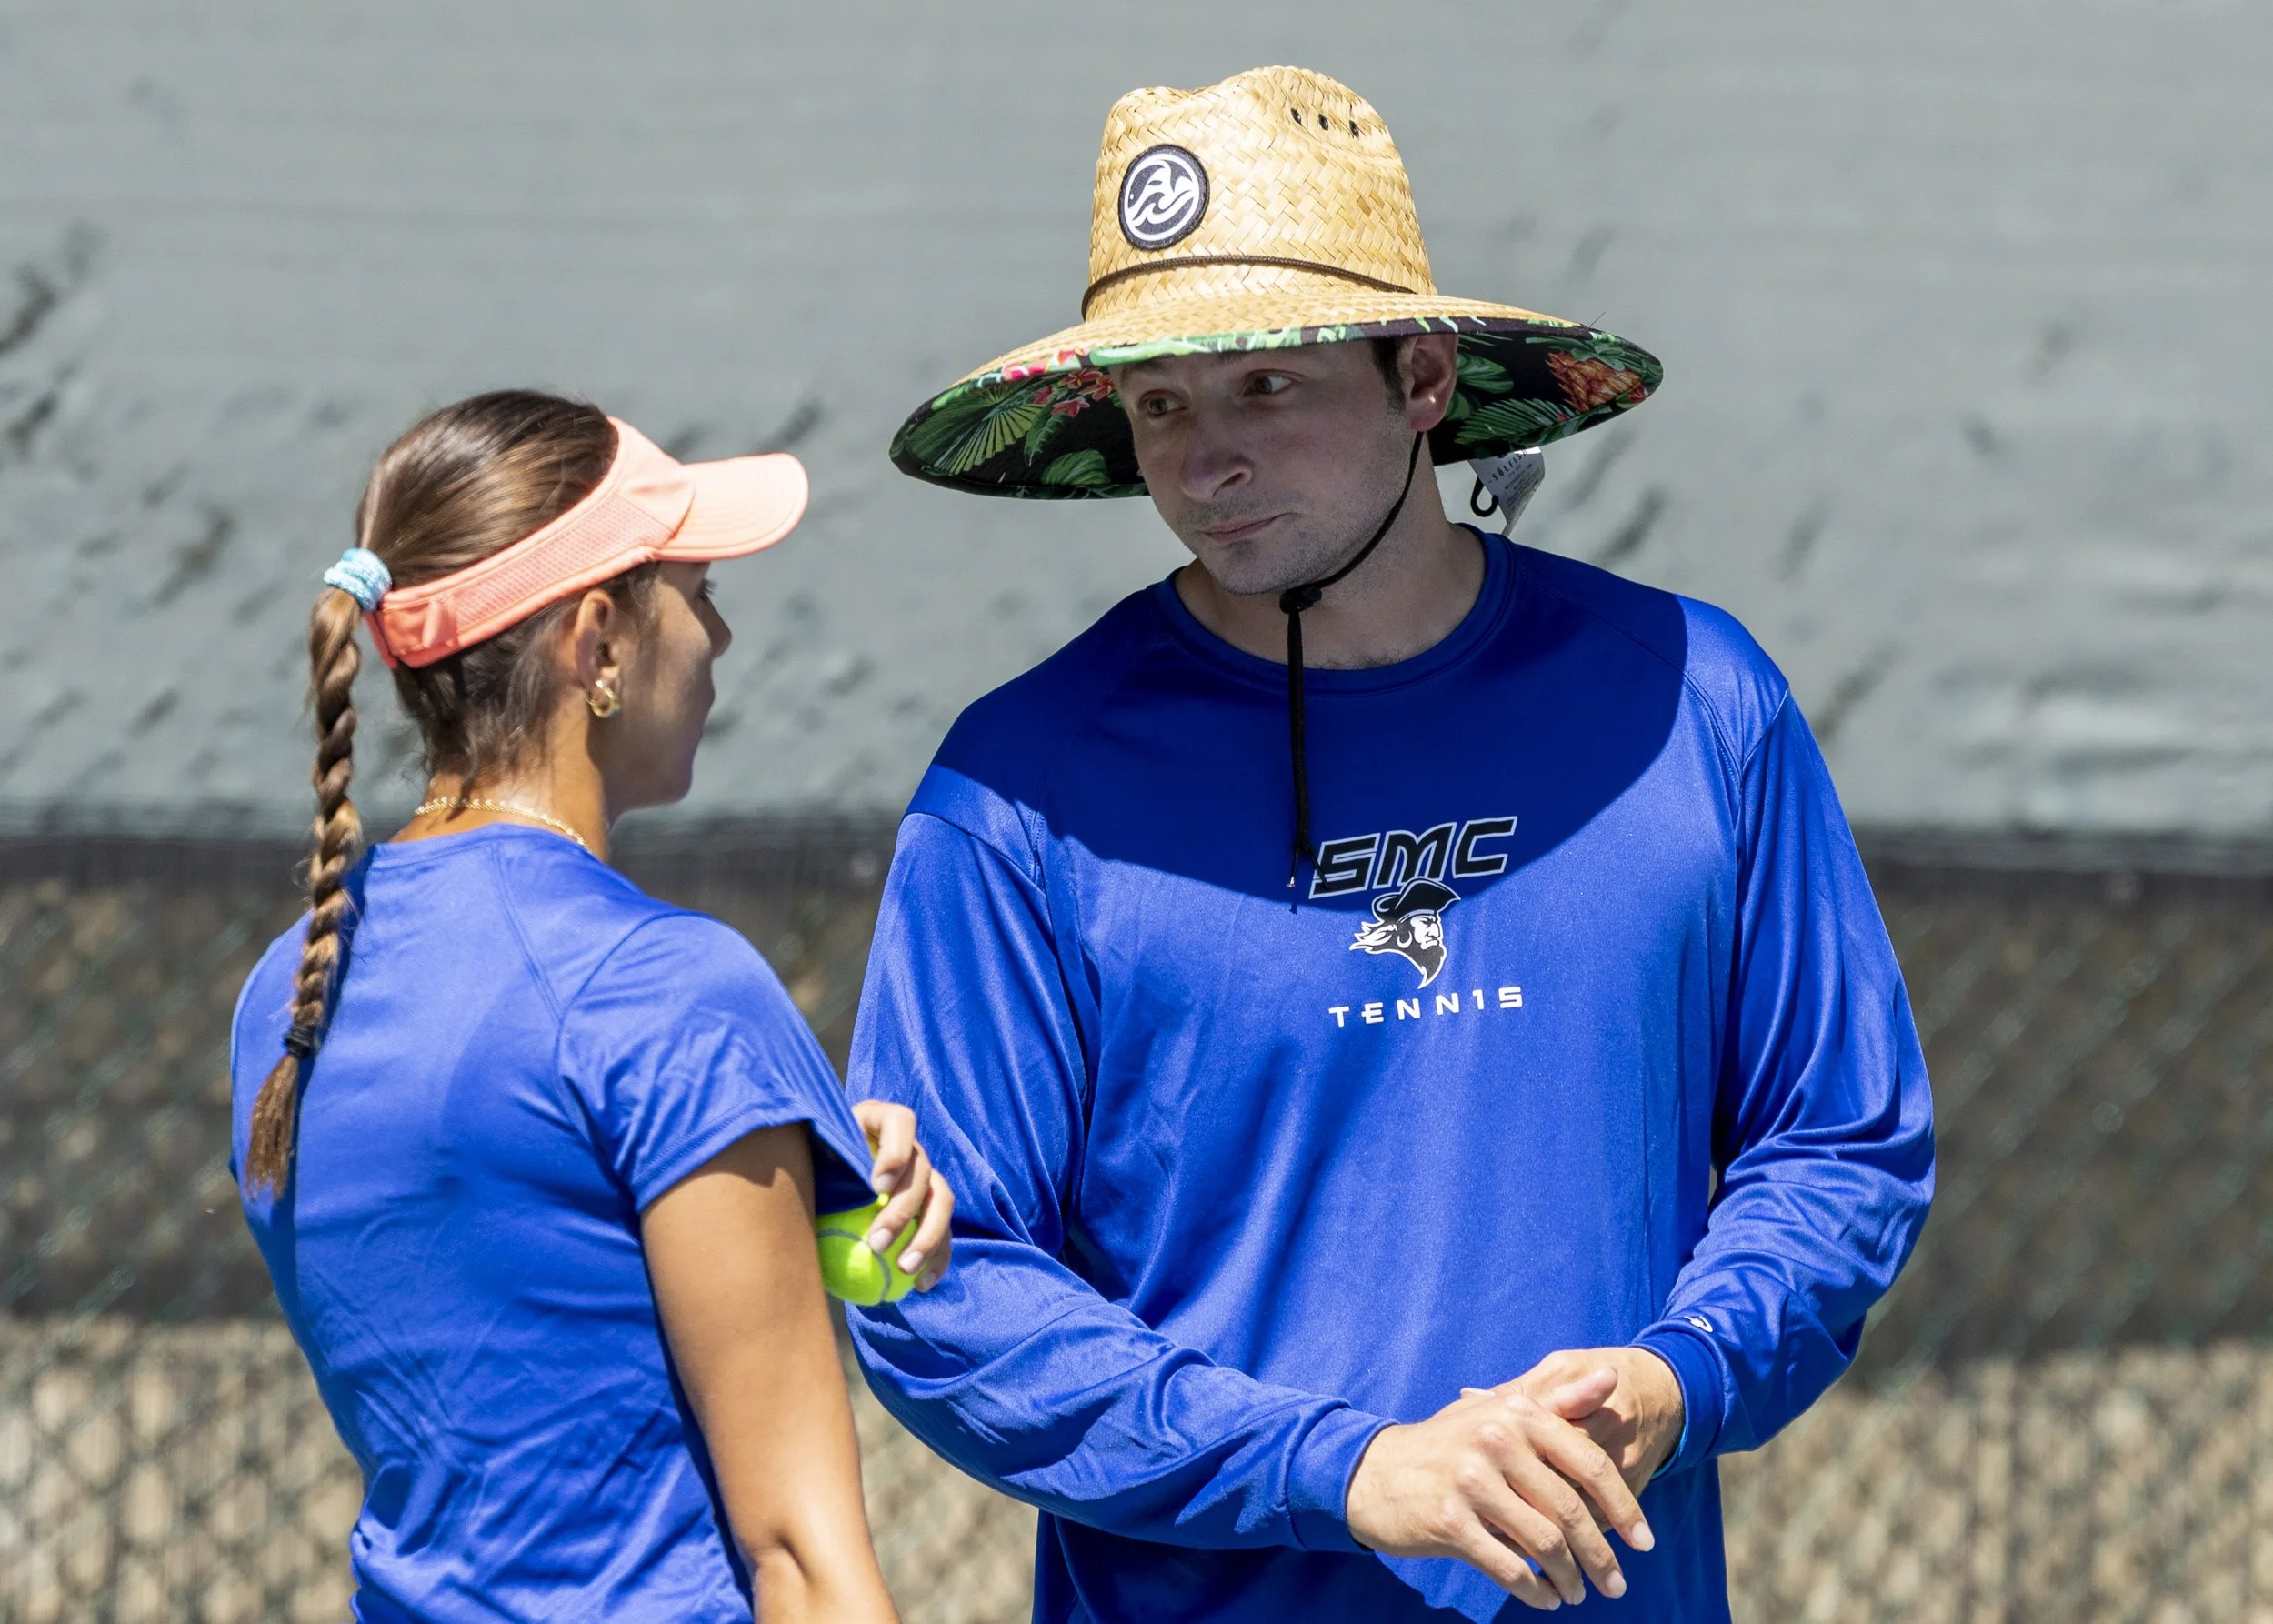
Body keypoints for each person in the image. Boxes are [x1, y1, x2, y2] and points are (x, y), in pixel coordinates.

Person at [848, 66, 1934, 1621]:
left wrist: (1680, 1375)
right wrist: (1345, 1471)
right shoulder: (1015, 793)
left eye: (1265, 386)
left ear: (1423, 378)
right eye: (1160, 404)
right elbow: (919, 1291)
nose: (1205, 459)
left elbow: (1843, 1143)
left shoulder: (1697, 703)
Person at [228, 391, 953, 1624]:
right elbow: (801, 1559)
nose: (720, 634)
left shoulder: (284, 990)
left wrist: (794, 1184)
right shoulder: (670, 991)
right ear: (601, 640)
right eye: (698, 586)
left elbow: (533, 1302)